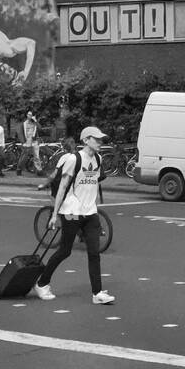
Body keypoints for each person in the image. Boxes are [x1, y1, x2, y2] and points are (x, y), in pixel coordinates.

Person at [33, 126, 114, 305]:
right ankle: (42, 283)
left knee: (94, 253)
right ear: (86, 140)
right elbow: (62, 187)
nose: (100, 142)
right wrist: (54, 214)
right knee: (64, 251)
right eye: (97, 139)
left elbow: (93, 181)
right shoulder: (73, 159)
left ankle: (97, 293)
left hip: (90, 213)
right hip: (71, 212)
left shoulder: (98, 159)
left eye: (101, 139)